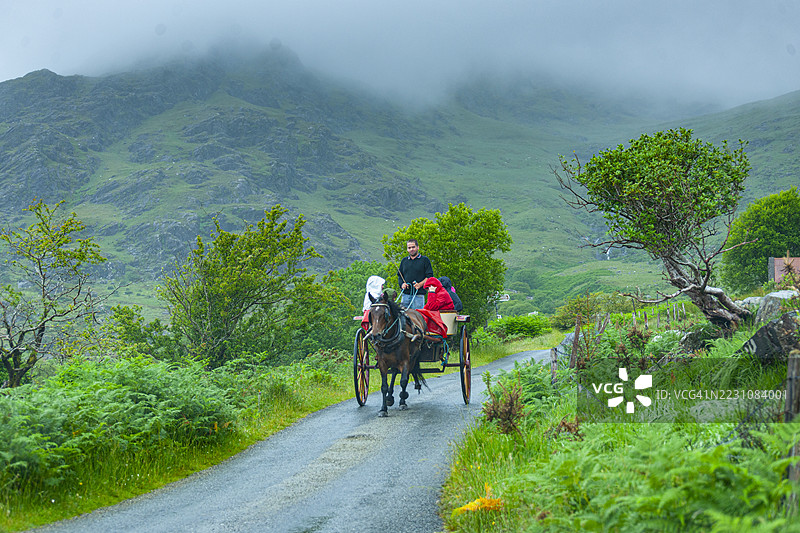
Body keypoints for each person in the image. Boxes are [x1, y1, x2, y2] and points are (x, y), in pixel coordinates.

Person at [397, 239, 433, 310]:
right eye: (409, 248)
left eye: (413, 247)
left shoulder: (425, 260)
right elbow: (399, 275)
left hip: (419, 295)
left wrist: (420, 284)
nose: (411, 249)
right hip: (405, 295)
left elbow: (429, 276)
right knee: (402, 316)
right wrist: (402, 284)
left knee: (417, 316)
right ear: (407, 249)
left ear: (417, 247)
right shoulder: (404, 261)